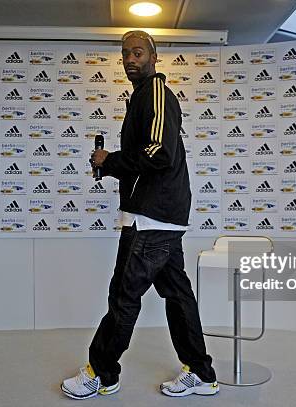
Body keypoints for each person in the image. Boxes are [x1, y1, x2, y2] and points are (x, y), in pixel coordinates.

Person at [61, 30, 218, 399]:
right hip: (155, 217)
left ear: (153, 56)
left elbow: (159, 153)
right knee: (178, 296)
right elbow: (150, 153)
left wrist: (110, 161)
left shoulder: (157, 94)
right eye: (125, 54)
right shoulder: (140, 99)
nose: (130, 60)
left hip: (152, 218)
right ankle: (200, 371)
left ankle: (101, 373)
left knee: (123, 296)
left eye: (137, 53)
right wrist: (114, 162)